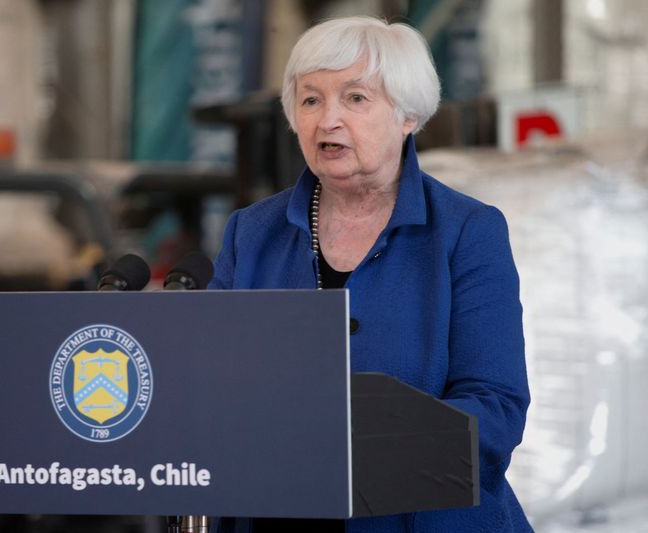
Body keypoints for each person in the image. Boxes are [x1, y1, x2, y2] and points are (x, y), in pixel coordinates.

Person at [208, 16, 532, 533]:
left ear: (408, 116)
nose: (327, 119)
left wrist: (363, 453)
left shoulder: (468, 232)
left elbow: (495, 408)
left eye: (355, 98)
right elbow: (205, 381)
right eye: (311, 100)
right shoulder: (251, 232)